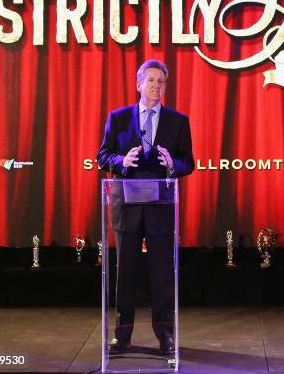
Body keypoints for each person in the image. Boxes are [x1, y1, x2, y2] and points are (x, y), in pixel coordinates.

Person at [97, 59, 194, 355]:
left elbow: (188, 162)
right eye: (151, 80)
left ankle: (165, 335)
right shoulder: (119, 117)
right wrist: (121, 161)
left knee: (161, 273)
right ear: (139, 84)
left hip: (160, 206)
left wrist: (171, 164)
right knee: (125, 272)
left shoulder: (178, 121)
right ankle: (122, 336)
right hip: (126, 205)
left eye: (161, 82)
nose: (156, 86)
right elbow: (103, 156)